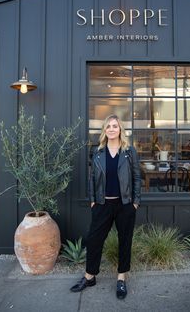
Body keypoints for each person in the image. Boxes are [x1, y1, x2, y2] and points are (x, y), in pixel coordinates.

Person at [70, 114, 141, 299]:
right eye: (108, 126)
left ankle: (121, 279)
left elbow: (137, 178)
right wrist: (93, 201)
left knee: (125, 241)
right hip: (102, 204)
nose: (111, 129)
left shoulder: (129, 151)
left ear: (120, 130)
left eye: (115, 126)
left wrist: (135, 202)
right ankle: (90, 276)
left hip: (124, 205)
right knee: (94, 240)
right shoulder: (98, 152)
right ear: (104, 130)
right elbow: (92, 179)